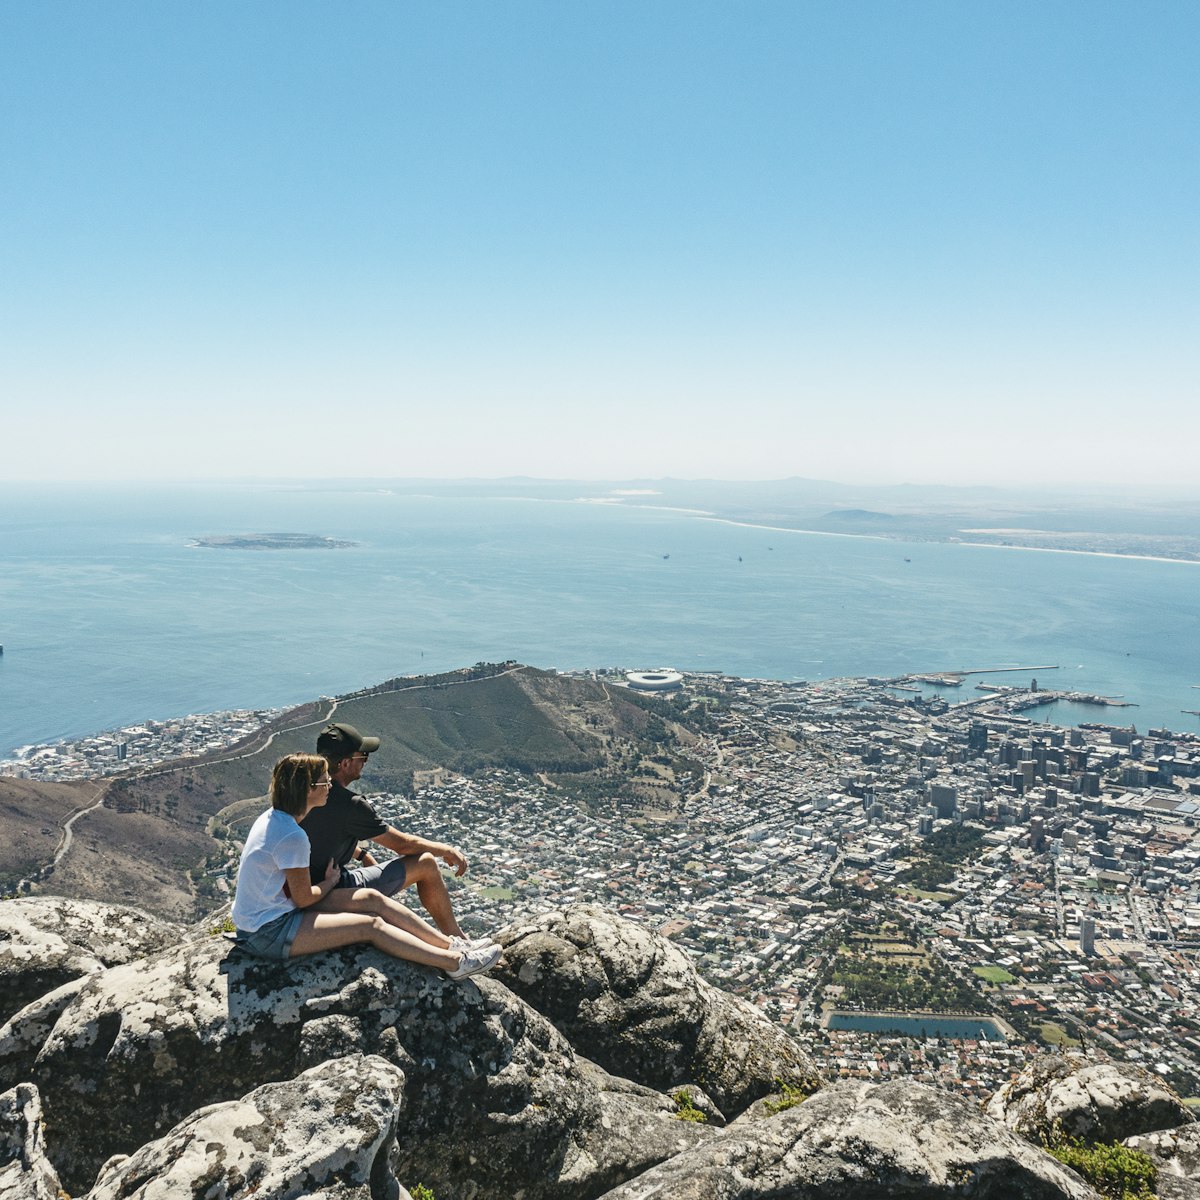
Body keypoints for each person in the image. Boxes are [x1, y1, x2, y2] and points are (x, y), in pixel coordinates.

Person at [230, 753, 501, 978]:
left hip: (269, 914)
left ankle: (452, 944)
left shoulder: (273, 817)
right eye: (325, 783)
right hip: (268, 931)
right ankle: (454, 963)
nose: (330, 787)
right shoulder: (292, 835)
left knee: (371, 898)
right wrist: (330, 882)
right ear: (309, 789)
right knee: (370, 926)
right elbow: (303, 899)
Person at [301, 722, 492, 948]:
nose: (365, 761)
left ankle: (456, 942)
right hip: (331, 891)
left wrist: (361, 854)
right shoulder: (351, 805)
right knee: (427, 863)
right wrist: (446, 850)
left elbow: (321, 836)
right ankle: (458, 942)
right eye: (362, 755)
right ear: (344, 763)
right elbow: (402, 845)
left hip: (302, 890)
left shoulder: (304, 791)